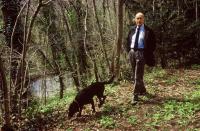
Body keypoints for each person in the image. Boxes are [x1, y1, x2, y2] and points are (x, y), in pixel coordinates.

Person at [126, 12, 156, 105]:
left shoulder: (148, 31)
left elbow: (153, 44)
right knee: (135, 72)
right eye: (137, 18)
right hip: (132, 53)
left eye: (141, 18)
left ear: (143, 19)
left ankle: (135, 96)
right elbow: (127, 41)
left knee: (137, 75)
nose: (139, 20)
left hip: (141, 53)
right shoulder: (131, 30)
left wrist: (146, 54)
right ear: (135, 20)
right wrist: (129, 51)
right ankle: (142, 90)